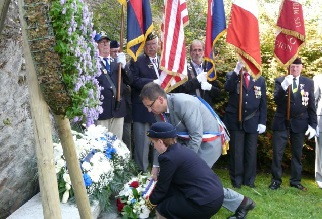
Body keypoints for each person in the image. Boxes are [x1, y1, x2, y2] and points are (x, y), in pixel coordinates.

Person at [141, 82, 256, 219]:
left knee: (195, 179)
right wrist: (155, 166)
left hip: (208, 142)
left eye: (150, 106)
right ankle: (242, 202)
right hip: (189, 143)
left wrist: (183, 163)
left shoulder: (184, 103)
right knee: (194, 181)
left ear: (160, 99)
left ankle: (237, 202)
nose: (149, 110)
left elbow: (196, 136)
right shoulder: (158, 110)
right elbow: (159, 140)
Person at [145, 122, 224, 219]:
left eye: (153, 142)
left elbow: (162, 188)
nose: (153, 146)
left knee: (162, 208)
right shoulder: (181, 150)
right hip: (216, 196)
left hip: (202, 202)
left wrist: (147, 205)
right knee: (171, 199)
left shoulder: (168, 158)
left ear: (160, 142)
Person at [269, 57, 317, 191]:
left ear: (302, 67)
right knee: (277, 153)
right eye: (292, 66)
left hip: (300, 122)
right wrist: (284, 86)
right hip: (282, 121)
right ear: (289, 68)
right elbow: (277, 100)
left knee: (297, 153)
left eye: (297, 66)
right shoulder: (280, 80)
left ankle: (295, 181)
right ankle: (275, 181)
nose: (294, 69)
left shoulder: (308, 82)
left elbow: (311, 104)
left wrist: (313, 125)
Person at [224, 61, 267, 188]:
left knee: (251, 152)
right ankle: (236, 180)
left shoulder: (259, 79)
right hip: (235, 120)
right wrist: (237, 71)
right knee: (237, 152)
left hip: (253, 120)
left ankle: (249, 181)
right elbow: (228, 88)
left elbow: (263, 103)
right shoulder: (233, 75)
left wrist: (262, 122)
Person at [129, 32, 160, 172]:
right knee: (142, 144)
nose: (151, 47)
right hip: (142, 110)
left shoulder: (165, 62)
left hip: (160, 110)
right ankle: (141, 172)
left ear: (158, 45)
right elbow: (134, 81)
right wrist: (153, 82)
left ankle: (158, 170)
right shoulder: (137, 61)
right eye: (147, 45)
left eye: (153, 44)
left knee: (160, 142)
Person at [94, 31, 132, 139]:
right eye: (101, 42)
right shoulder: (92, 64)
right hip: (102, 111)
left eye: (107, 42)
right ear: (96, 45)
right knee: (101, 145)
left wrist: (125, 66)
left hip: (118, 110)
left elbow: (130, 80)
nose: (105, 44)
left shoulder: (117, 63)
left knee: (117, 144)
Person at [172, 39, 221, 106]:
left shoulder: (209, 70)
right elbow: (179, 90)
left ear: (203, 52)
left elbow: (218, 93)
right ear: (190, 52)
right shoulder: (183, 70)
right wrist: (196, 81)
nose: (197, 53)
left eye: (199, 50)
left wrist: (210, 88)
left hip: (207, 110)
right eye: (195, 50)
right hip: (190, 109)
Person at [313, 74, 322, 188]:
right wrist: (313, 122)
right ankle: (320, 177)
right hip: (321, 118)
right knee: (320, 150)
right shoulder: (318, 78)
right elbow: (313, 101)